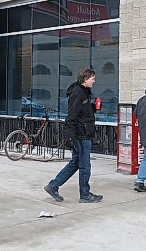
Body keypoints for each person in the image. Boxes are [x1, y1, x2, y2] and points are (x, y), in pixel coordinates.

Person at [44, 68, 103, 203]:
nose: (94, 81)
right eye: (92, 78)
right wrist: (69, 137)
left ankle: (53, 186)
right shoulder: (78, 93)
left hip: (83, 133)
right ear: (85, 79)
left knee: (76, 163)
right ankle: (85, 195)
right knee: (84, 166)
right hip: (81, 135)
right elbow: (71, 116)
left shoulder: (84, 93)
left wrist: (93, 107)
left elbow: (82, 112)